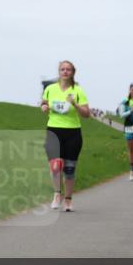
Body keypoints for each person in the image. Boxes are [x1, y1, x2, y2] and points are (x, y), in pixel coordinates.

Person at [41, 60, 91, 211]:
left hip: (72, 132)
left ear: (72, 72)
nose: (65, 72)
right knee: (55, 166)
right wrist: (44, 107)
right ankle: (57, 194)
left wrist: (75, 104)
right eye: (62, 69)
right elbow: (43, 103)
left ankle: (68, 200)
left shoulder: (78, 90)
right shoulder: (50, 88)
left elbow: (87, 114)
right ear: (59, 71)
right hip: (54, 130)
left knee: (69, 169)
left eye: (68, 69)